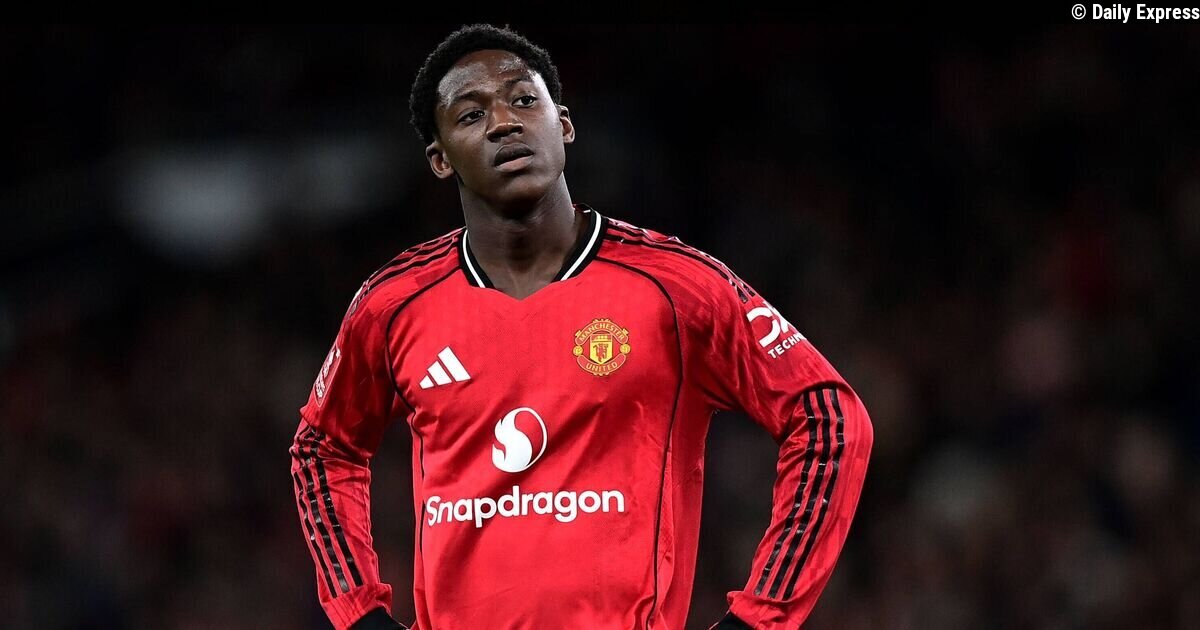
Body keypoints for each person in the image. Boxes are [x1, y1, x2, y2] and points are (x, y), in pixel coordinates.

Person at [289, 23, 873, 630]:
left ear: (563, 124)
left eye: (523, 100)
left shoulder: (676, 288)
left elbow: (828, 417)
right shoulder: (394, 304)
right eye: (471, 115)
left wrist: (759, 617)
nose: (504, 123)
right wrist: (359, 613)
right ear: (440, 159)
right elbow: (322, 447)